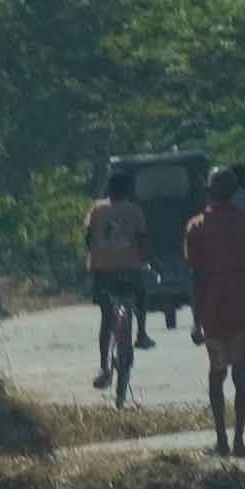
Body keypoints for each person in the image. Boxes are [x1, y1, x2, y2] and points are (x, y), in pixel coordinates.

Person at [182, 162, 245, 459]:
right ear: (235, 191)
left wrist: (195, 320)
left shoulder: (196, 227)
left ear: (208, 193)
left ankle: (221, 441)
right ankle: (239, 440)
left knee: (217, 374)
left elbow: (196, 277)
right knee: (242, 372)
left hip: (213, 311)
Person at [82, 162, 152, 399]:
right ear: (128, 189)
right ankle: (141, 333)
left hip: (103, 271)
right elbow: (142, 241)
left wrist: (98, 256)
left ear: (108, 189)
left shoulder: (97, 209)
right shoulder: (135, 210)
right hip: (129, 269)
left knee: (106, 317)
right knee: (140, 294)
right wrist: (147, 259)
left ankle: (104, 366)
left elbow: (89, 239)